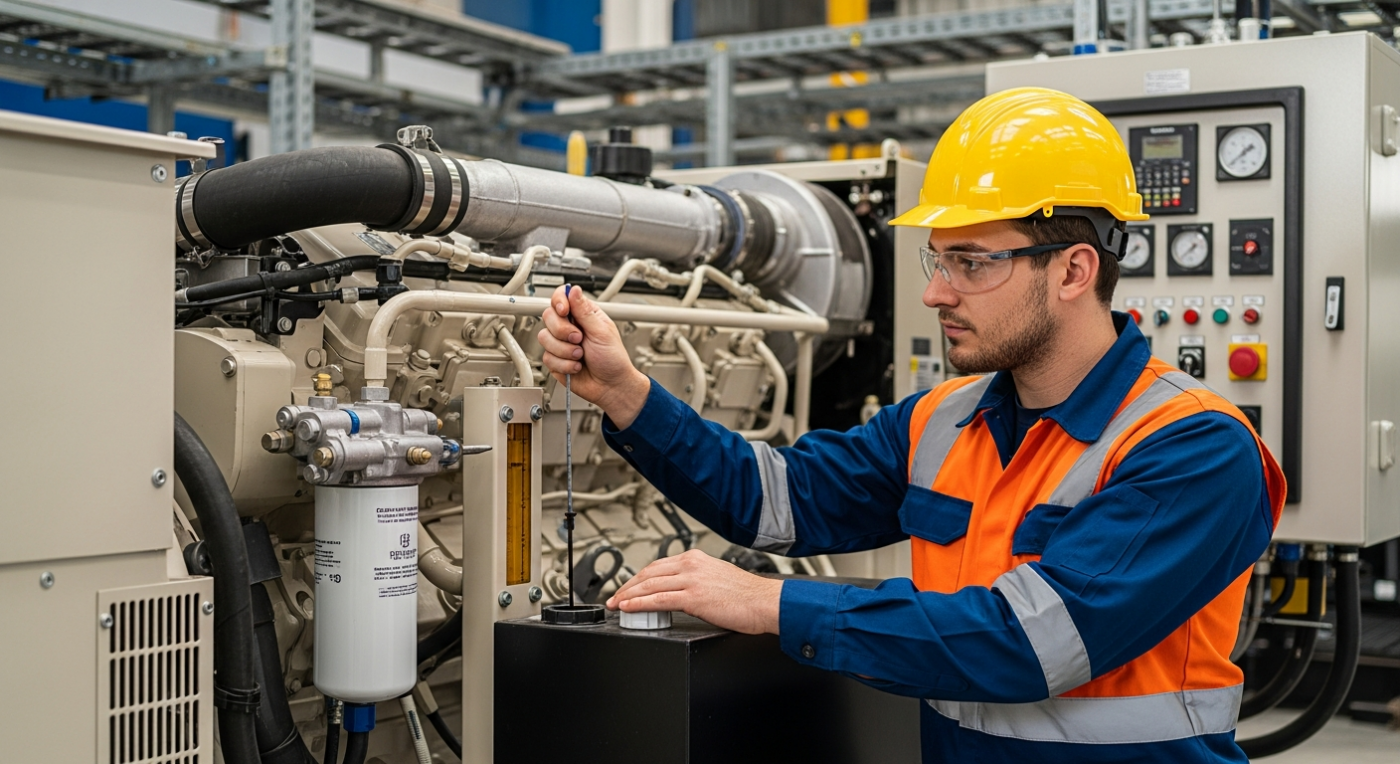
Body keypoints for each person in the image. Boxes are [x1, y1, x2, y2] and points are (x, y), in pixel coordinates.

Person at [536, 87, 1284, 763]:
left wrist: (771, 602)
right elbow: (776, 499)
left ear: (1073, 270)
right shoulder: (941, 420)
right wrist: (629, 395)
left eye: (971, 263)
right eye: (938, 260)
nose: (935, 292)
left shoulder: (1193, 447)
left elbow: (1031, 642)